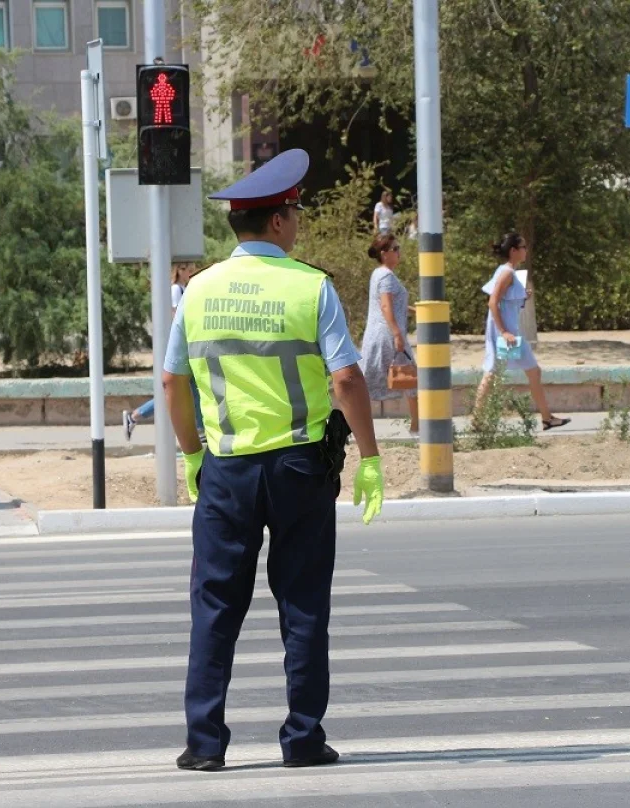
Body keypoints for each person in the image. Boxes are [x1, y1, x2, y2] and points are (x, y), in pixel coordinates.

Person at [163, 148, 383, 772]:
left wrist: (191, 455)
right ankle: (303, 740)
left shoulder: (197, 290)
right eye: (295, 211)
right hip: (298, 468)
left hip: (226, 470)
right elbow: (346, 380)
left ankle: (205, 744)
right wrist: (370, 458)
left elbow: (171, 384)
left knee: (214, 608)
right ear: (280, 221)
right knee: (304, 605)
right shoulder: (310, 287)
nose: (298, 220)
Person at [476, 232, 569, 430]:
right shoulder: (507, 273)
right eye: (523, 247)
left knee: (530, 372)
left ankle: (546, 418)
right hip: (507, 334)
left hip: (510, 333)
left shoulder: (508, 272)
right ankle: (477, 420)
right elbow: (492, 302)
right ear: (513, 251)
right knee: (494, 373)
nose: (526, 250)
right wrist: (503, 332)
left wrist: (522, 296)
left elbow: (506, 300)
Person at [123, 263, 204, 443]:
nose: (190, 273)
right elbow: (177, 316)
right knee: (180, 389)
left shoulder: (183, 288)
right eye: (187, 269)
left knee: (186, 389)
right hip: (179, 344)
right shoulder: (176, 289)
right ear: (179, 271)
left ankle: (135, 416)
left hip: (183, 344)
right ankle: (136, 415)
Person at [359, 233, 419, 434]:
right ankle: (417, 426)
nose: (399, 252)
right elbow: (385, 305)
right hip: (388, 334)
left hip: (377, 334)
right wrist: (397, 334)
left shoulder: (379, 273)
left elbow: (390, 302)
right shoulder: (386, 275)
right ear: (384, 254)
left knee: (368, 380)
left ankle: (416, 425)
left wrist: (413, 311)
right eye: (395, 249)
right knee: (410, 376)